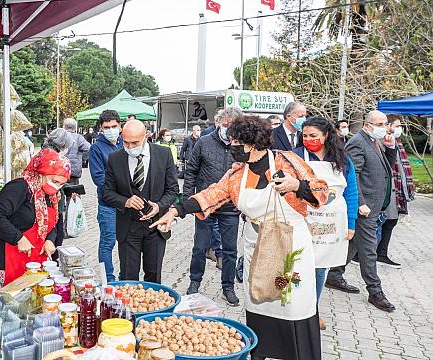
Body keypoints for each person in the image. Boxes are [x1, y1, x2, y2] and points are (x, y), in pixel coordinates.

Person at [153, 115, 328, 360]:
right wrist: (175, 211)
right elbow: (211, 195)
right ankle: (259, 352)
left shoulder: (288, 161)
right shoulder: (238, 174)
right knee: (258, 300)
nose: (232, 146)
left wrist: (296, 185)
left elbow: (321, 191)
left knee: (292, 302)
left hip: (290, 244)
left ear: (251, 143)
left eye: (236, 142)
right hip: (256, 244)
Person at [325, 110, 398, 312]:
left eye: (385, 123)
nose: (385, 127)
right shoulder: (358, 142)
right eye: (381, 123)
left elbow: (384, 170)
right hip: (364, 207)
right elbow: (351, 175)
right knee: (368, 249)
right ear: (367, 125)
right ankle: (375, 291)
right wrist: (360, 203)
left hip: (374, 206)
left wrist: (391, 148)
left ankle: (334, 274)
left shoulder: (375, 141)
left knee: (355, 244)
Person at [293, 116, 358, 330]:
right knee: (298, 265)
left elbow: (351, 192)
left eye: (313, 135)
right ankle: (295, 309)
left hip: (331, 224)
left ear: (326, 135)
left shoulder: (341, 159)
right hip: (303, 220)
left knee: (321, 268)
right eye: (305, 136)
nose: (309, 139)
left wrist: (350, 223)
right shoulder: (296, 157)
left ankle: (313, 309)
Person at [103, 120, 179, 284]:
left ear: (146, 136)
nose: (130, 147)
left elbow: (173, 190)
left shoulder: (163, 154)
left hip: (156, 227)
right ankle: (130, 310)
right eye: (126, 142)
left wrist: (159, 206)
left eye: (135, 142)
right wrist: (126, 201)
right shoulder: (115, 158)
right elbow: (107, 193)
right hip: (128, 228)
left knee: (153, 277)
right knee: (128, 278)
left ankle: (154, 310)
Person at [0, 149, 70, 285]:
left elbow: (52, 224)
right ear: (42, 172)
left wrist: (50, 240)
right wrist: (18, 238)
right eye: (55, 181)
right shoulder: (20, 187)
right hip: (7, 255)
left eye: (61, 184)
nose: (57, 187)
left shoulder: (52, 195)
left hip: (34, 259)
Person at [182, 110, 240, 306]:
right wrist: (189, 199)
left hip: (230, 208)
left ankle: (228, 287)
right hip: (205, 206)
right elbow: (191, 170)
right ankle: (194, 283)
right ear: (218, 123)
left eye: (233, 125)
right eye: (225, 124)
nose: (228, 129)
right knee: (200, 247)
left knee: (230, 250)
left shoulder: (241, 146)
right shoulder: (204, 142)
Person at [375, 116, 414, 269]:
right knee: (386, 220)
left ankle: (380, 253)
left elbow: (402, 168)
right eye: (396, 125)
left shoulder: (396, 141)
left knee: (391, 220)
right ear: (388, 126)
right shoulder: (382, 141)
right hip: (388, 188)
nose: (399, 128)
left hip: (397, 189)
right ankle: (375, 253)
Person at [89, 110, 123, 282]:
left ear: (120, 125)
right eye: (106, 127)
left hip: (128, 205)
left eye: (114, 126)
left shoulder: (126, 143)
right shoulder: (96, 148)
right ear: (101, 129)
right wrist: (121, 188)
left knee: (126, 242)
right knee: (107, 243)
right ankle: (108, 279)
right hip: (108, 204)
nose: (111, 130)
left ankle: (125, 276)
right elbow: (98, 178)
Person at [62, 118, 91, 185]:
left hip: (61, 169)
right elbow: (88, 148)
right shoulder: (78, 138)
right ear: (75, 128)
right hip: (74, 170)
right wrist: (83, 159)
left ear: (64, 127)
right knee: (73, 192)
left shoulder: (60, 137)